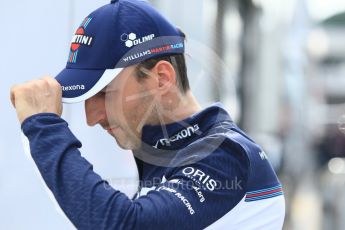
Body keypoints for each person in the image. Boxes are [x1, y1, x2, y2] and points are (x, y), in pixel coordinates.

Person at [10, 0, 285, 229]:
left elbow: (125, 225)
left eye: (104, 93)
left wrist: (43, 128)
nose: (91, 117)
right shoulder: (168, 151)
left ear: (162, 79)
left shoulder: (226, 155)